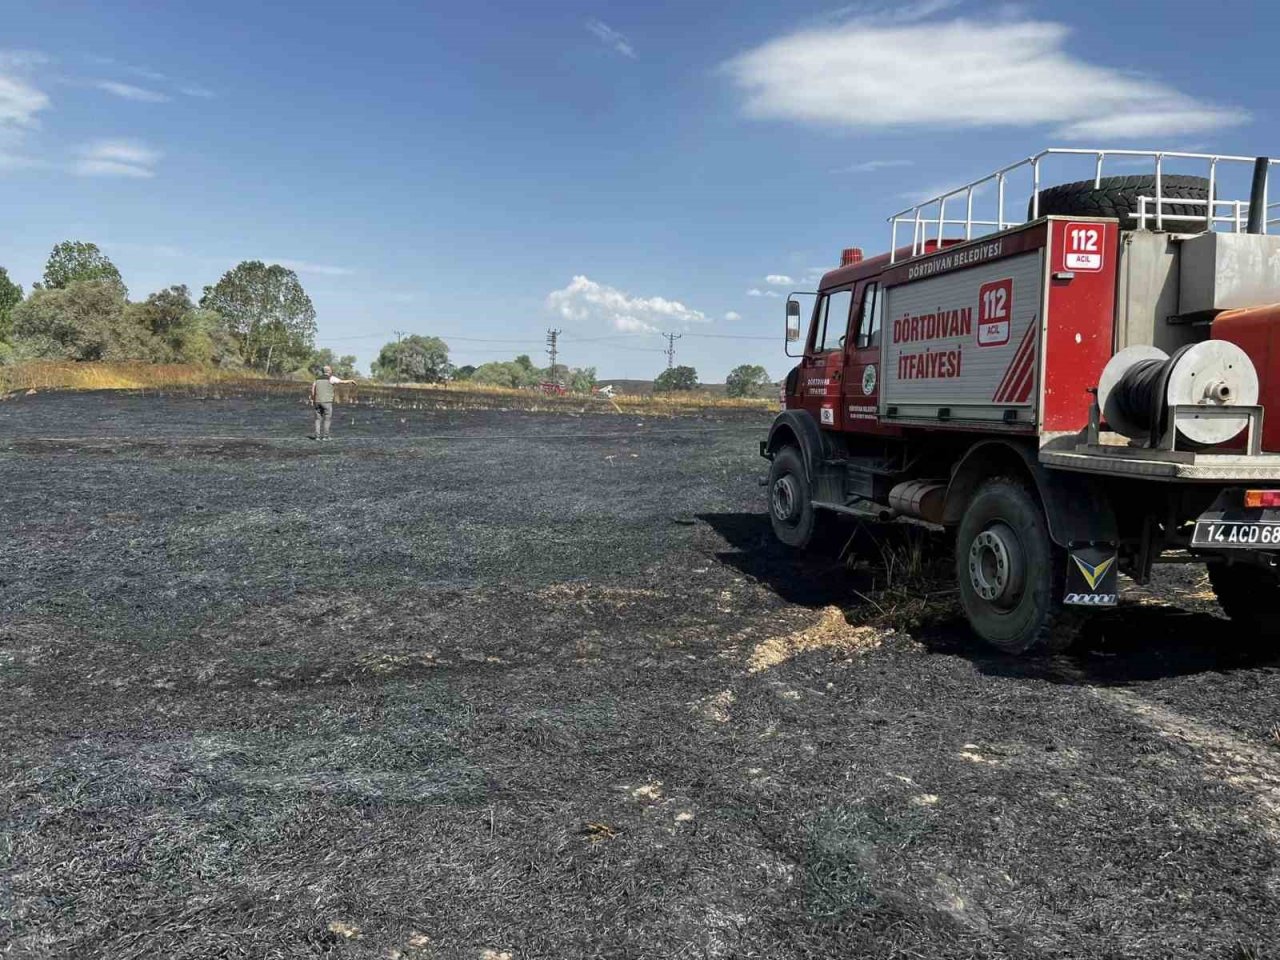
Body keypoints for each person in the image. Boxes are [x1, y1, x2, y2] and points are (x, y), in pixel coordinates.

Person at [309, 365, 356, 440]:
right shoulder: (331, 378)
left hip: (317, 401)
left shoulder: (316, 380)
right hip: (327, 401)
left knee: (318, 419)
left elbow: (312, 391)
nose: (331, 371)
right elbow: (342, 382)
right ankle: (325, 436)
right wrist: (351, 381)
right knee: (327, 419)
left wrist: (313, 399)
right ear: (328, 371)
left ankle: (317, 437)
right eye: (331, 370)